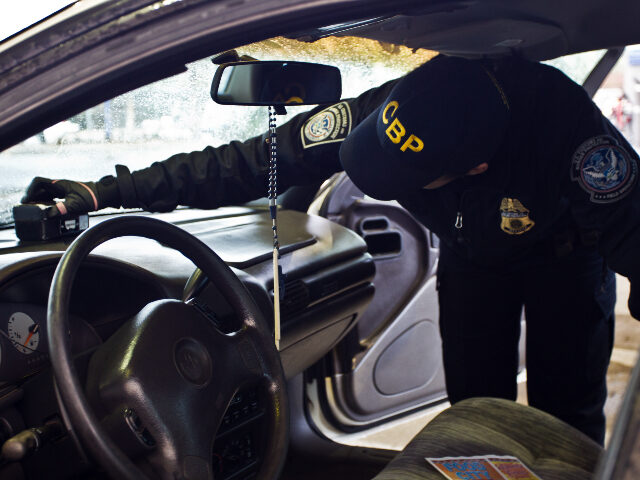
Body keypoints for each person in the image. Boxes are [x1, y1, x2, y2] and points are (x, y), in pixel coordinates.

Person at [22, 54, 640, 445]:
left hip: (567, 254)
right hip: (471, 256)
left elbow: (634, 232)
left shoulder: (570, 133)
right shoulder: (393, 106)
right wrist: (103, 191)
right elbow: (244, 162)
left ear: (474, 167)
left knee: (566, 422)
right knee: (474, 413)